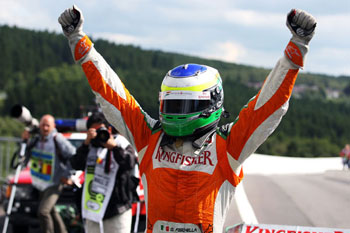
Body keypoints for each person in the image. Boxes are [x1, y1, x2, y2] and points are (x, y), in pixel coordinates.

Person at [58, 6, 316, 233]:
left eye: (187, 104)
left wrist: (296, 47)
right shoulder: (149, 136)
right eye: (171, 104)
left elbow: (267, 107)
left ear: (212, 102)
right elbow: (113, 95)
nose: (178, 112)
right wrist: (78, 42)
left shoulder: (229, 144)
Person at [69, 112, 138, 233]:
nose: (99, 135)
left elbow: (130, 163)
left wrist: (114, 148)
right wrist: (86, 144)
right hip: (93, 207)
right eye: (94, 131)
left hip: (118, 208)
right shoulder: (89, 146)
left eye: (101, 130)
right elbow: (75, 164)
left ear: (109, 129)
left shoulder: (121, 142)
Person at [22, 114, 76, 233]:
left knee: (43, 211)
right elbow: (25, 154)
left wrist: (66, 175)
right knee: (51, 210)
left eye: (48, 125)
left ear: (53, 126)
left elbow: (73, 155)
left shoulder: (58, 139)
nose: (45, 128)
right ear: (39, 125)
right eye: (43, 125)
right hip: (41, 181)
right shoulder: (37, 138)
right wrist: (25, 140)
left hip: (55, 182)